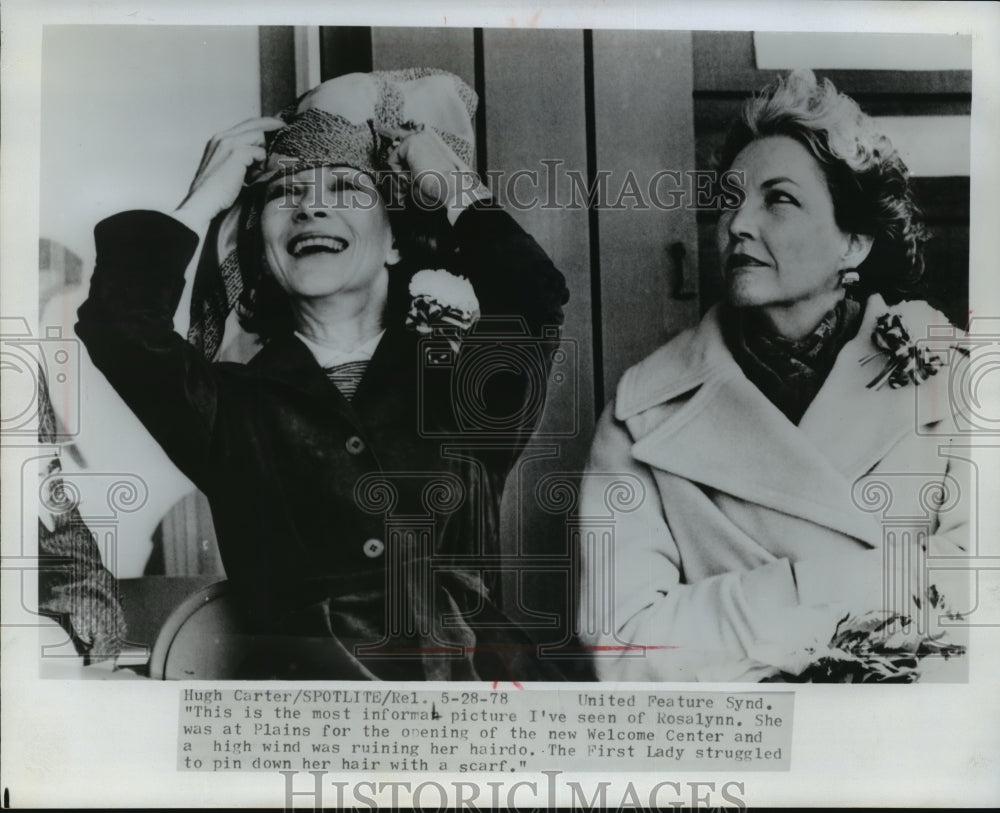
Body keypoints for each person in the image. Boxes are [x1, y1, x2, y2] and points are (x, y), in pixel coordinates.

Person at [76, 68, 569, 680]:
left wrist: (453, 185)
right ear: (259, 245)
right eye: (285, 191)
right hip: (309, 731)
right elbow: (120, 330)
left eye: (344, 187)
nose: (311, 205)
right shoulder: (228, 408)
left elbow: (534, 296)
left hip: (476, 725)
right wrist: (205, 200)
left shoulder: (464, 380)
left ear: (396, 240)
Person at [578, 69, 970, 682]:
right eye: (729, 199)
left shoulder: (951, 381)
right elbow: (627, 651)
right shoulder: (643, 412)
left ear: (855, 243)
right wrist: (848, 584)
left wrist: (743, 618)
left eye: (778, 199)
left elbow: (981, 604)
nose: (737, 224)